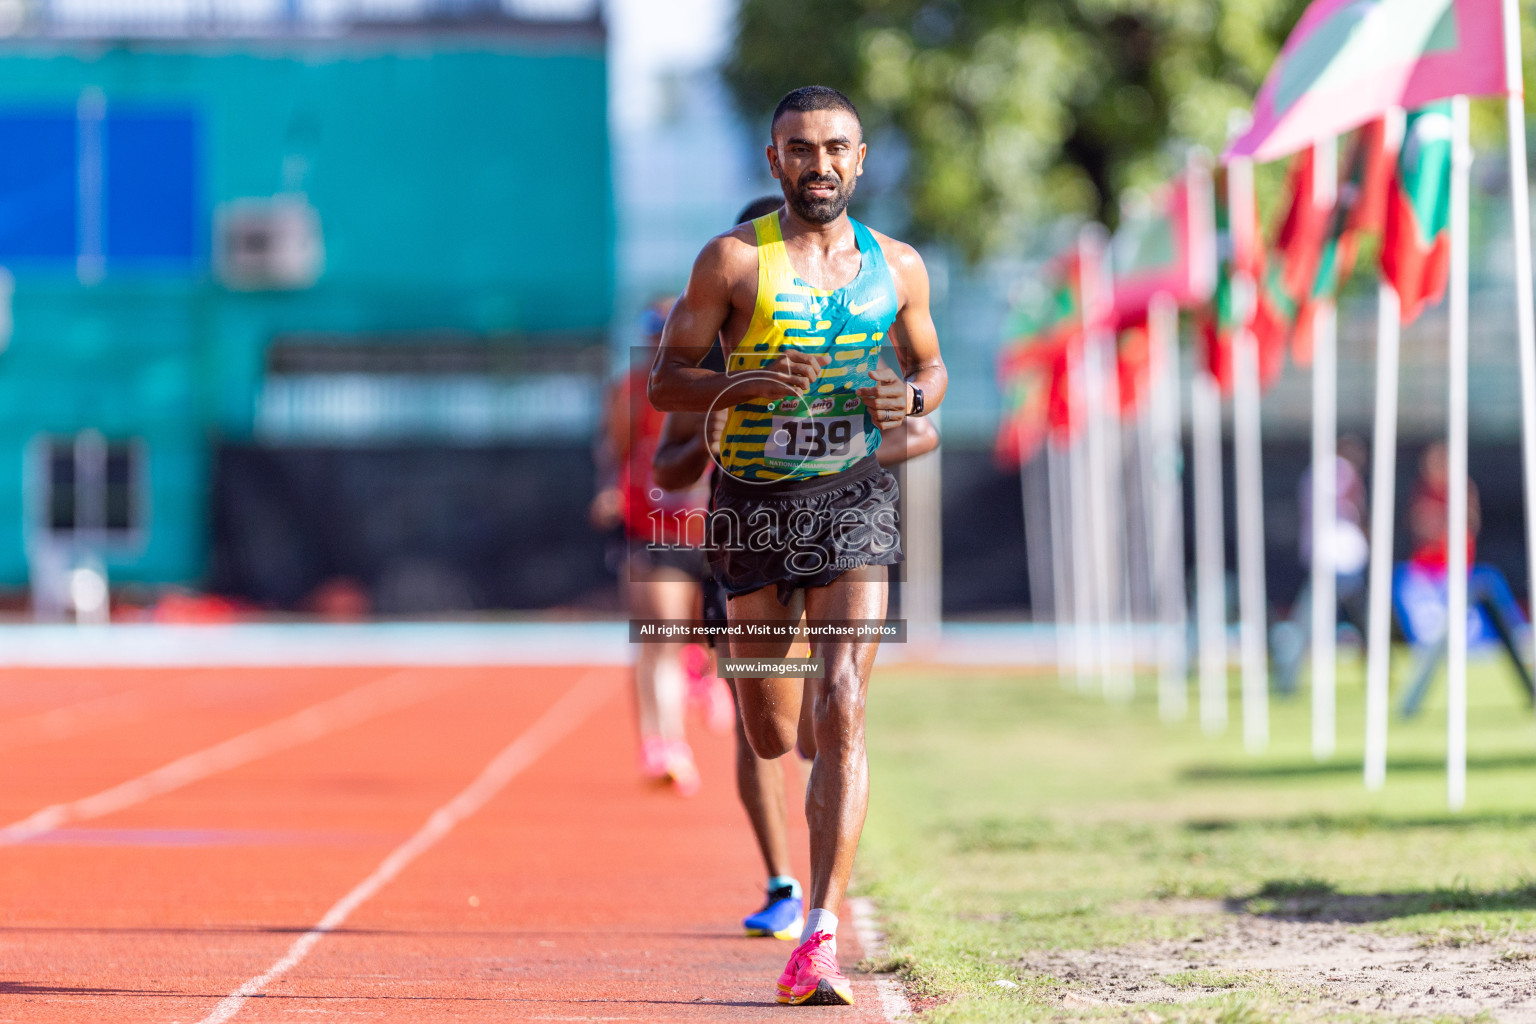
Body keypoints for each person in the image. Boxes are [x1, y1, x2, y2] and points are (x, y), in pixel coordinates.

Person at [648, 87, 946, 1006]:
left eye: (837, 149)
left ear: (859, 162)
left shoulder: (898, 266)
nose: (821, 165)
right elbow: (666, 386)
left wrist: (914, 400)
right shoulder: (733, 262)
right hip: (751, 508)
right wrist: (745, 383)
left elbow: (929, 366)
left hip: (853, 499)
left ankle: (819, 936)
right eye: (801, 149)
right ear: (774, 161)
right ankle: (796, 783)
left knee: (846, 706)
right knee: (776, 731)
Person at [590, 297, 722, 796]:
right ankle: (663, 743)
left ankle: (701, 669)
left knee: (711, 631)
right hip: (654, 529)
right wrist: (608, 488)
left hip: (713, 532)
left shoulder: (719, 387)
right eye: (655, 332)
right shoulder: (631, 391)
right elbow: (614, 449)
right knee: (658, 634)